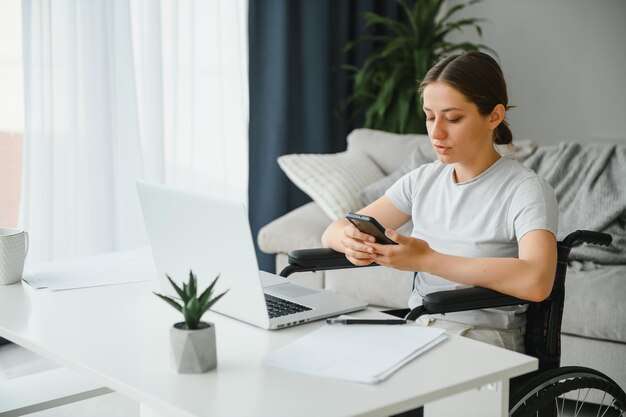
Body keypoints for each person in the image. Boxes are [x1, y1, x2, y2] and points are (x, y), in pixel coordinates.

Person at [321, 51, 558, 352]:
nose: (436, 132)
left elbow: (536, 281)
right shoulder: (423, 180)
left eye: (453, 118)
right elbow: (334, 229)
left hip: (483, 338)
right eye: (430, 117)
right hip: (420, 326)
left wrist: (427, 260)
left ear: (494, 116)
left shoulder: (526, 189)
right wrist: (350, 241)